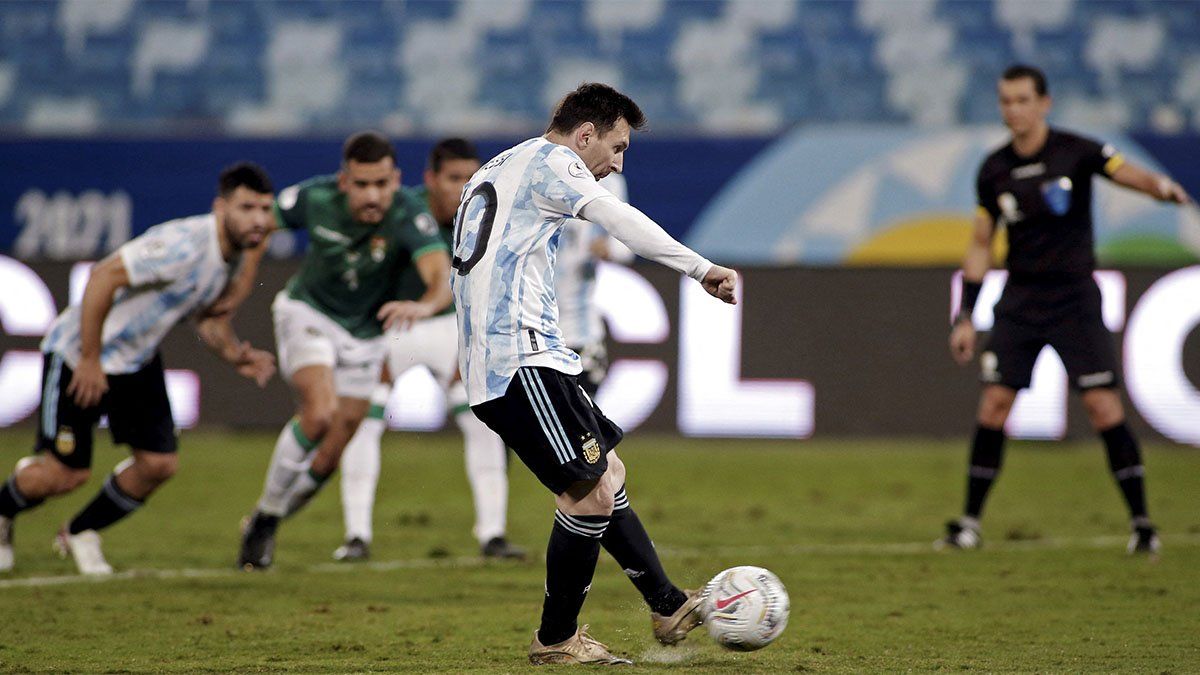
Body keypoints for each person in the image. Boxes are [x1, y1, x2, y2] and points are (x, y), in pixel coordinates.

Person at [451, 83, 738, 665]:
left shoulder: (505, 162)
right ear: (586, 135)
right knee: (587, 497)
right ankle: (556, 639)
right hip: (518, 356)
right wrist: (700, 268)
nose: (618, 162)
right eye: (618, 146)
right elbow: (617, 217)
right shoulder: (555, 163)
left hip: (522, 354)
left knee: (607, 470)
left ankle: (666, 603)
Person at [941, 64, 1191, 555]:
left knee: (1103, 407)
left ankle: (1142, 524)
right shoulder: (993, 170)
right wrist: (966, 314)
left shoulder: (1078, 151)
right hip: (1020, 300)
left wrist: (1160, 186)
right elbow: (979, 243)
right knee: (994, 405)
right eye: (1005, 101)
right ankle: (968, 524)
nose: (1013, 110)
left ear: (1044, 103)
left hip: (1074, 299)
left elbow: (1124, 172)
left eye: (1022, 100)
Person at [0, 163, 277, 576]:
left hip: (136, 359)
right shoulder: (183, 244)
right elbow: (102, 277)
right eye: (247, 207)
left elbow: (206, 317)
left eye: (264, 209)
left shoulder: (232, 256)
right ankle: (3, 511)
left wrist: (235, 354)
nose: (258, 219)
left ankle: (80, 531)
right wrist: (91, 360)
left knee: (158, 464)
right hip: (79, 353)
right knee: (65, 475)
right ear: (221, 207)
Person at [237, 131, 452, 570]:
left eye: (382, 183)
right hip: (308, 313)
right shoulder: (313, 199)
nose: (373, 194)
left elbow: (440, 276)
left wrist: (424, 304)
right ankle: (265, 521)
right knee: (319, 415)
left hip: (366, 332)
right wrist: (238, 280)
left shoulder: (409, 215)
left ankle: (267, 516)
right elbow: (253, 226)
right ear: (343, 182)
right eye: (362, 184)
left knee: (335, 446)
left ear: (395, 179)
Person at [335, 138, 526, 562]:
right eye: (454, 178)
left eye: (471, 178)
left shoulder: (486, 212)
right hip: (394, 330)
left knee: (485, 423)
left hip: (449, 330)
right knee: (365, 420)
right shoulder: (400, 209)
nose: (464, 188)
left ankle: (492, 534)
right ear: (430, 179)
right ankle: (356, 535)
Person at [554, 172, 634, 396]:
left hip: (580, 330)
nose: (617, 163)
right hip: (533, 329)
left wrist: (608, 249)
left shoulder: (609, 182)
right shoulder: (537, 172)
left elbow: (626, 243)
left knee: (583, 422)